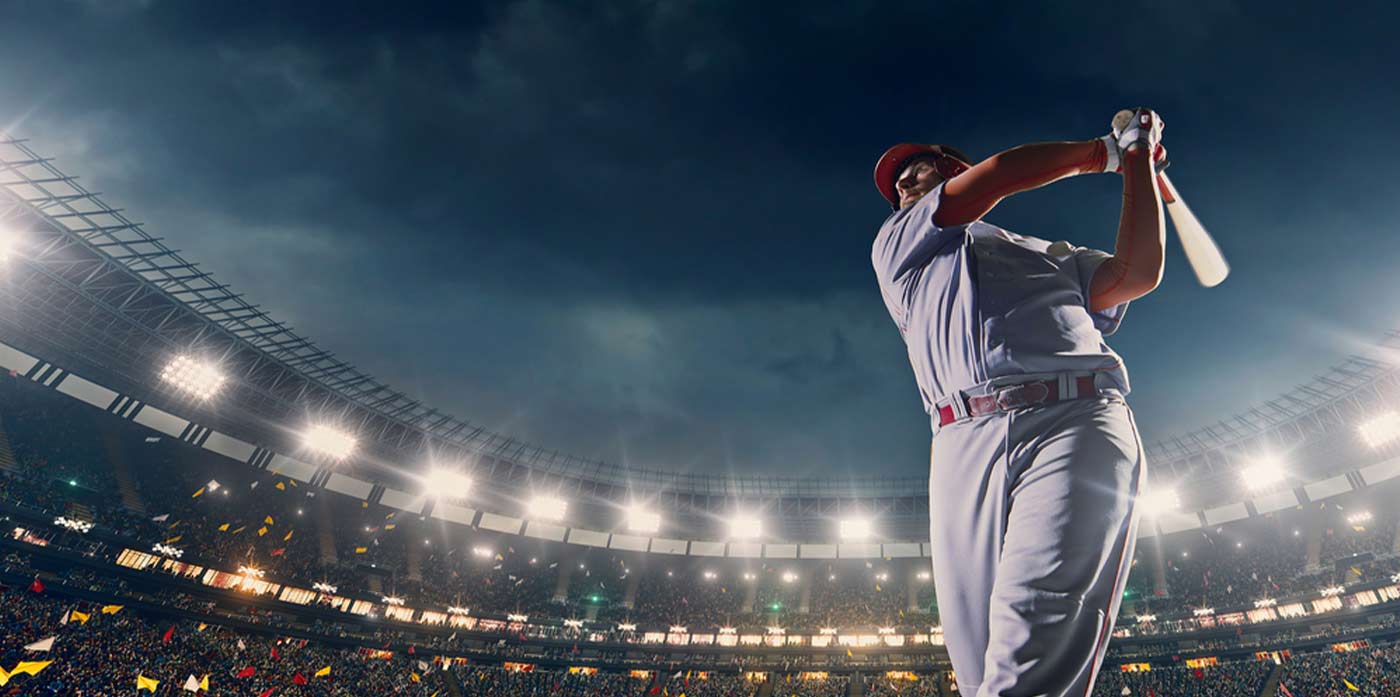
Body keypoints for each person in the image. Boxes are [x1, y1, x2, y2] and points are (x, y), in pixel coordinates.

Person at [870, 109, 1167, 695]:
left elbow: (1139, 272)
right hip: (958, 441)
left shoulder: (1055, 253)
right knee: (978, 669)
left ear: (953, 167)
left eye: (916, 169)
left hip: (1075, 417)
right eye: (897, 183)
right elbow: (1000, 174)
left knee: (1031, 640)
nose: (903, 184)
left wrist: (1136, 163)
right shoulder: (898, 243)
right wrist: (1104, 151)